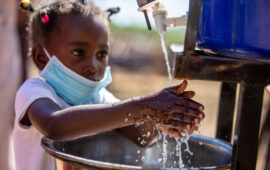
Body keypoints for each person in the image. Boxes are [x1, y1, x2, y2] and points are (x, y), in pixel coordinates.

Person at [13, 0, 205, 169]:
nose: (93, 66)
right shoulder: (33, 91)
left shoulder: (98, 97)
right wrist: (144, 106)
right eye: (79, 52)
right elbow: (54, 126)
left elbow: (138, 135)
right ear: (41, 57)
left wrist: (158, 119)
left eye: (102, 54)